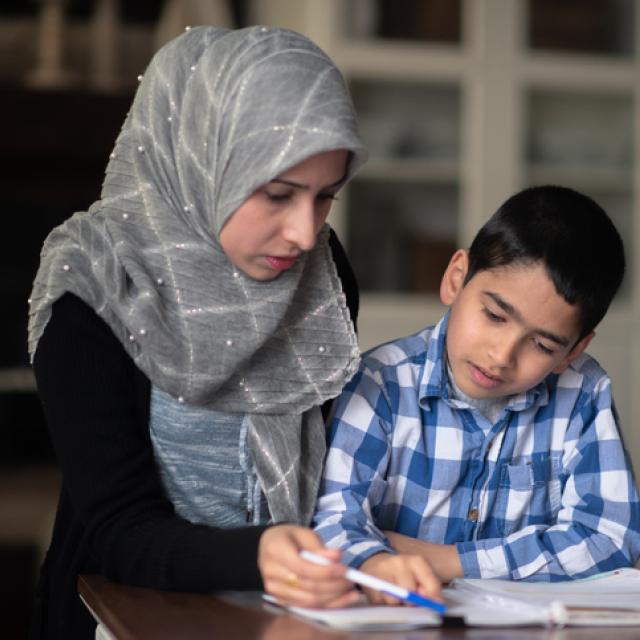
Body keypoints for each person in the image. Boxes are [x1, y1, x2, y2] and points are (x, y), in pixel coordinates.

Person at [27, 25, 371, 639]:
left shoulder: (322, 273)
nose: (302, 231)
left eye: (326, 198)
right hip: (127, 615)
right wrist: (259, 554)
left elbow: (339, 477)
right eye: (277, 194)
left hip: (291, 612)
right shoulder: (98, 281)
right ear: (201, 158)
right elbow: (118, 530)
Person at [313, 185, 640, 601]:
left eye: (542, 345)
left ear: (573, 351)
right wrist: (376, 563)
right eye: (494, 315)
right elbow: (331, 520)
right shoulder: (381, 383)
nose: (501, 355)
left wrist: (446, 560)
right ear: (456, 279)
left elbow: (610, 539)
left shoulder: (582, 393)